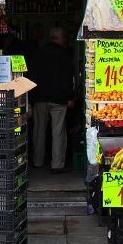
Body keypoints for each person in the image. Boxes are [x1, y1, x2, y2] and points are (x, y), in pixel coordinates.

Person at [29, 27, 75, 173]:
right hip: (58, 98)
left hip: (39, 97)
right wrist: (70, 97)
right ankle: (57, 164)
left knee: (39, 130)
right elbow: (67, 79)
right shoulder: (64, 55)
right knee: (58, 132)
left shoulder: (37, 54)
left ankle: (37, 161)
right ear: (60, 38)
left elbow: (31, 76)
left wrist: (30, 98)